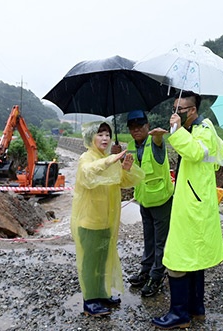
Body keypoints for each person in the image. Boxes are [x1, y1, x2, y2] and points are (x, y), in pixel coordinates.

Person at [150, 91, 223, 329]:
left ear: (191, 110)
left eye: (179, 109)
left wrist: (177, 131)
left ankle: (179, 313)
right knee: (194, 258)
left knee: (176, 259)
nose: (174, 113)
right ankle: (195, 308)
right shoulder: (194, 129)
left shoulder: (204, 129)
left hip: (194, 207)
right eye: (173, 108)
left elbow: (195, 152)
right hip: (192, 204)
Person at [70, 121, 145, 317]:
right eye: (100, 134)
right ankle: (89, 301)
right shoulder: (86, 159)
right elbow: (88, 174)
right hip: (89, 221)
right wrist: (110, 160)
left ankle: (101, 294)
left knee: (103, 260)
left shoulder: (107, 158)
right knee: (90, 263)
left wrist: (126, 168)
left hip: (107, 222)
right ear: (90, 137)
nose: (105, 138)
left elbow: (122, 182)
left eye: (107, 135)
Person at [122, 110, 174, 298]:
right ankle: (146, 270)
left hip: (161, 199)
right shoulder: (130, 146)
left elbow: (159, 146)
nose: (136, 130)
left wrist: (159, 138)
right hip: (144, 200)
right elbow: (129, 174)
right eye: (132, 127)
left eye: (140, 126)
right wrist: (118, 160)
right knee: (148, 238)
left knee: (160, 241)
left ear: (147, 126)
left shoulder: (155, 142)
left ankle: (156, 276)